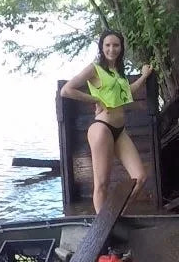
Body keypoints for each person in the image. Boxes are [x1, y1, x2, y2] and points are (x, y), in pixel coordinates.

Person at [60, 31, 151, 213]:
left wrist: (144, 76)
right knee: (102, 184)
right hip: (102, 128)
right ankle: (103, 230)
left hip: (120, 130)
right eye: (107, 45)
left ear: (121, 48)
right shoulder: (95, 69)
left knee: (140, 177)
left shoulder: (119, 72)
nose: (112, 49)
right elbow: (66, 90)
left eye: (116, 45)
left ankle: (116, 215)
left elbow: (128, 93)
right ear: (102, 47)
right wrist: (95, 100)